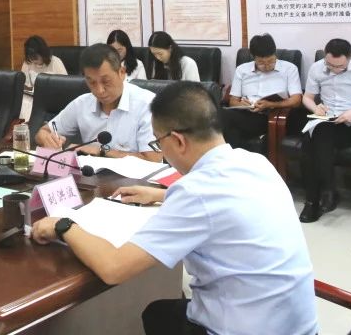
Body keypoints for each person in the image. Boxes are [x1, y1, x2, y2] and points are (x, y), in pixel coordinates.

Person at [31, 82, 318, 335]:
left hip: (242, 328)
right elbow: (224, 203)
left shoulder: (196, 192)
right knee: (163, 313)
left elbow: (113, 268)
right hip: (297, 326)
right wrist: (162, 194)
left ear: (178, 140)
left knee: (157, 315)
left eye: (158, 142)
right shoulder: (254, 162)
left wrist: (64, 225)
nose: (161, 150)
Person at [297, 38, 351, 222]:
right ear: (325, 57)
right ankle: (321, 195)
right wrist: (315, 108)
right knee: (313, 139)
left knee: (313, 140)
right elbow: (307, 98)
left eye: (340, 67)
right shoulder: (317, 68)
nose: (335, 70)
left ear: (350, 57)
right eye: (330, 65)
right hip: (325, 119)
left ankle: (315, 199)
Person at [35, 44, 159, 160]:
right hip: (89, 174)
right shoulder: (82, 103)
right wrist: (47, 139)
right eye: (92, 82)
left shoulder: (148, 104)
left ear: (122, 73)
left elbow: (153, 158)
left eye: (106, 81)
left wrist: (101, 151)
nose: (100, 90)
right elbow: (43, 132)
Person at [221, 34, 302, 149]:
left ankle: (233, 157)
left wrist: (271, 104)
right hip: (247, 114)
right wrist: (242, 105)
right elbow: (233, 101)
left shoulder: (289, 69)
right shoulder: (242, 70)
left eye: (271, 61)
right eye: (261, 63)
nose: (267, 66)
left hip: (270, 116)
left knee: (227, 121)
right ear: (253, 57)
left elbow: (296, 100)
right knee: (223, 117)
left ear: (275, 54)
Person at [19, 35, 67, 120]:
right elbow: (24, 84)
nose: (33, 61)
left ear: (43, 53)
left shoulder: (56, 62)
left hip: (53, 99)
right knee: (23, 100)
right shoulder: (28, 63)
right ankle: (28, 124)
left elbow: (66, 85)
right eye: (30, 58)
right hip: (34, 98)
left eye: (35, 57)